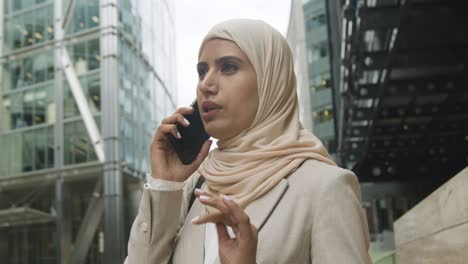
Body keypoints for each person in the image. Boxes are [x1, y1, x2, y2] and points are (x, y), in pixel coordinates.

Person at [125, 19, 371, 264]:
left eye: (229, 67)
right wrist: (165, 184)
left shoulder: (326, 188)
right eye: (202, 71)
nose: (206, 85)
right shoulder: (195, 187)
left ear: (270, 81)